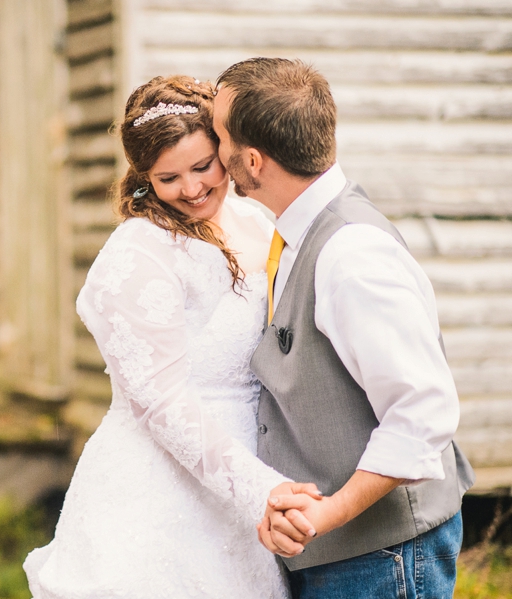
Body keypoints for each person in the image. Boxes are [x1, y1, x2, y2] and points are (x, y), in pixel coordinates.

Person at [23, 74, 319, 598]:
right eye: (167, 178)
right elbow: (160, 401)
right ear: (143, 178)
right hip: (163, 492)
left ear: (225, 151)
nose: (192, 189)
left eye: (203, 166)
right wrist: (259, 491)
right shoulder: (139, 252)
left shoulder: (255, 223)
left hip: (253, 475)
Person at [210, 57, 476, 598]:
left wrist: (322, 519)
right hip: (349, 558)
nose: (214, 154)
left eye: (218, 137)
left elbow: (422, 414)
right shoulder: (297, 232)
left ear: (253, 161)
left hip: (382, 559)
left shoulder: (350, 256)